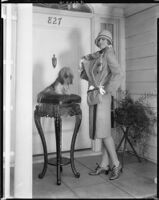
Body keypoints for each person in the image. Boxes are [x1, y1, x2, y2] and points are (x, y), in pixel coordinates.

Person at [79, 29, 124, 180]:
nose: (101, 42)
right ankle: (105, 165)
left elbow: (118, 73)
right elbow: (93, 72)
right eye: (99, 40)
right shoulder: (100, 55)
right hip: (97, 96)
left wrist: (107, 89)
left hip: (103, 97)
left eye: (104, 40)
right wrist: (83, 63)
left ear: (109, 41)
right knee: (103, 132)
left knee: (104, 132)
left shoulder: (109, 53)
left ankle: (116, 164)